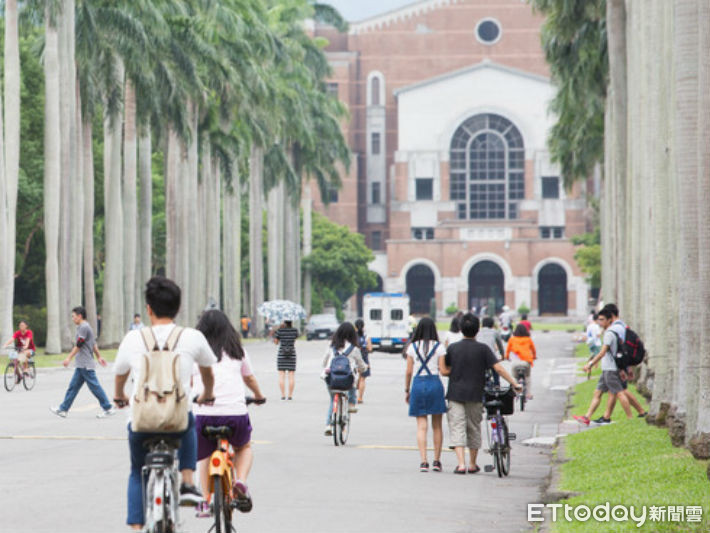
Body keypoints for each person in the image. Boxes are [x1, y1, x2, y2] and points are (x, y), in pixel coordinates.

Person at [113, 276, 217, 530]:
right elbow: (207, 373)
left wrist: (120, 396)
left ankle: (137, 528)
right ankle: (188, 483)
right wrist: (207, 394)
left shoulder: (133, 339)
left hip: (141, 421)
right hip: (177, 420)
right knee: (190, 421)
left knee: (137, 471)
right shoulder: (192, 337)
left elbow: (120, 376)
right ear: (178, 308)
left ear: (148, 309)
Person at [193, 310, 265, 517]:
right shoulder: (237, 350)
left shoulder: (196, 352)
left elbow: (187, 382)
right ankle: (240, 481)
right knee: (243, 447)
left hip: (203, 416)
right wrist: (259, 396)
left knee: (204, 455)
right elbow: (249, 379)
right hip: (235, 415)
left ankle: (205, 501)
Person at [439, 313, 522, 474]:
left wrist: (456, 372)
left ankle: (461, 464)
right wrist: (514, 383)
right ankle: (472, 463)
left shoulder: (453, 348)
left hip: (455, 394)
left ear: (461, 329)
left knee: (457, 427)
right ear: (477, 331)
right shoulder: (483, 349)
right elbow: (498, 368)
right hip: (476, 394)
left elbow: (446, 370)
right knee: (474, 427)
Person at [574, 305, 646, 425]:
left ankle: (630, 418)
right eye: (599, 319)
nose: (599, 322)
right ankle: (588, 417)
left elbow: (603, 352)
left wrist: (590, 364)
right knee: (599, 392)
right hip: (608, 367)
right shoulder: (620, 327)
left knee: (620, 392)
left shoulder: (611, 332)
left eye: (602, 319)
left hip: (611, 369)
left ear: (610, 319)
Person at [50, 307, 115, 419]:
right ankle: (63, 409)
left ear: (80, 316)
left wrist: (68, 358)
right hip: (82, 364)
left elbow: (79, 344)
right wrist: (99, 357)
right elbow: (93, 343)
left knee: (95, 387)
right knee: (73, 387)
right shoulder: (85, 327)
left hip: (85, 364)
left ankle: (108, 408)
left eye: (73, 316)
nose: (72, 318)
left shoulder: (83, 327)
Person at [404, 317, 447, 472]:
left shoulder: (412, 347)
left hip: (418, 384)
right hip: (435, 384)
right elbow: (443, 370)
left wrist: (407, 390)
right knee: (437, 426)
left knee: (421, 426)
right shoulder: (439, 347)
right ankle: (436, 461)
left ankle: (423, 462)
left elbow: (409, 371)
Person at [322, 322, 368, 435]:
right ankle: (352, 404)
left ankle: (328, 425)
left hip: (331, 378)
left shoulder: (331, 346)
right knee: (352, 380)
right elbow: (361, 365)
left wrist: (327, 367)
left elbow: (324, 362)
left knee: (333, 400)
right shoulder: (354, 349)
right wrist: (364, 369)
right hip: (347, 381)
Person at [504, 324, 537, 400]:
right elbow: (533, 350)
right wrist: (534, 357)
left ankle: (515, 392)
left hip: (515, 362)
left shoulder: (512, 339)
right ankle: (528, 394)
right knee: (528, 377)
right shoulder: (528, 339)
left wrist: (507, 357)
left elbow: (508, 350)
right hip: (526, 362)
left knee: (514, 377)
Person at [274, 320, 299, 400]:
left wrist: (279, 330)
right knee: (291, 375)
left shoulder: (280, 331)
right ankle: (290, 395)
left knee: (281, 375)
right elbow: (294, 341)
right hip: (292, 354)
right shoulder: (295, 331)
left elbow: (276, 342)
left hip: (282, 354)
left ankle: (283, 395)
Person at [355, 318, 372, 404]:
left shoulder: (353, 336)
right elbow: (370, 348)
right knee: (362, 379)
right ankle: (360, 398)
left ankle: (352, 396)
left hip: (354, 359)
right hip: (364, 359)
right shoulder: (366, 336)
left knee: (353, 377)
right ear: (363, 326)